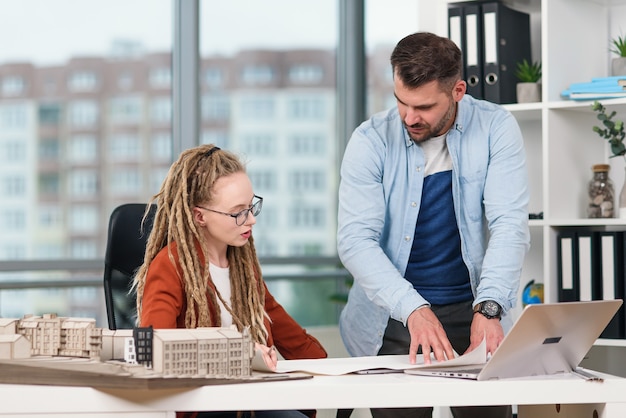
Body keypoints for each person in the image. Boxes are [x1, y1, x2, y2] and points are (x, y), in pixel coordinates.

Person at [337, 32, 530, 418]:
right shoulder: (370, 140)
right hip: (394, 316)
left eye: (423, 106)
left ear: (457, 91)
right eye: (401, 102)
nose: (409, 117)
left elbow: (510, 224)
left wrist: (489, 308)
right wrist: (413, 309)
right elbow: (356, 240)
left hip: (472, 308)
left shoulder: (496, 129)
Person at [133, 144, 327, 418]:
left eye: (251, 207)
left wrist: (341, 371)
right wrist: (237, 352)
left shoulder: (243, 266)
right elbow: (151, 348)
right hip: (202, 405)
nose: (250, 220)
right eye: (238, 212)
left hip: (249, 400)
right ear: (199, 216)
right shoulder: (171, 265)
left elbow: (288, 335)